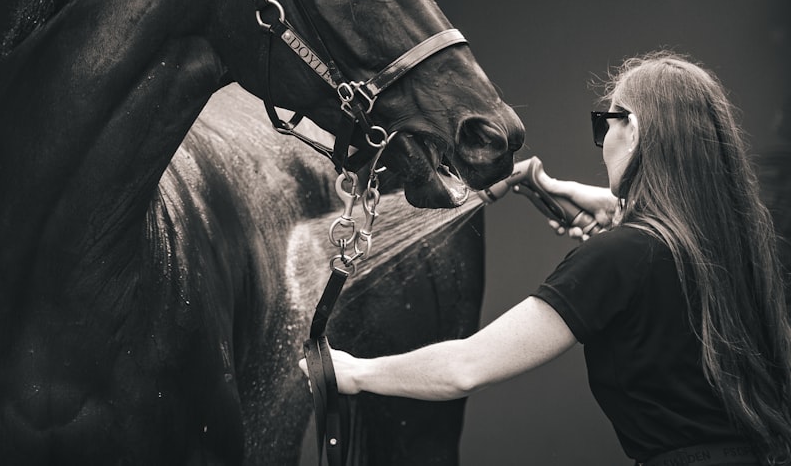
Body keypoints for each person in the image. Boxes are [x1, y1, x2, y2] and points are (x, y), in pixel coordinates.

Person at [300, 51, 791, 465]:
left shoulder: (623, 255)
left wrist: (352, 373)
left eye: (607, 123)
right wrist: (623, 215)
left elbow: (465, 367)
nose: (603, 142)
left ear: (635, 130)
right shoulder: (737, 250)